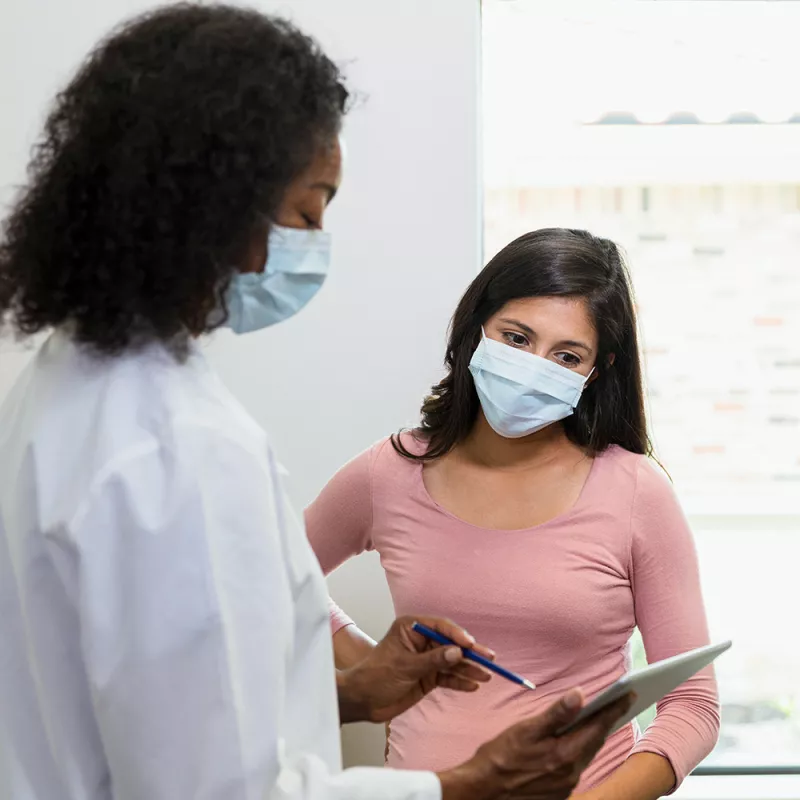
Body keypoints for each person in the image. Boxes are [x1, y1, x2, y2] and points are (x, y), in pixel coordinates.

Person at [0, 7, 632, 800]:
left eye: (567, 354)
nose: (316, 241)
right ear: (212, 203)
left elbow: (158, 705)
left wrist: (351, 691)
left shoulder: (66, 382)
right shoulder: (176, 449)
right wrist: (468, 785)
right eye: (307, 210)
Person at [306, 228, 721, 800]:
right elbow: (271, 576)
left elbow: (693, 707)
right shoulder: (389, 471)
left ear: (595, 372)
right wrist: (371, 669)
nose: (533, 366)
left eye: (567, 355)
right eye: (517, 337)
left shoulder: (635, 493)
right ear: (476, 328)